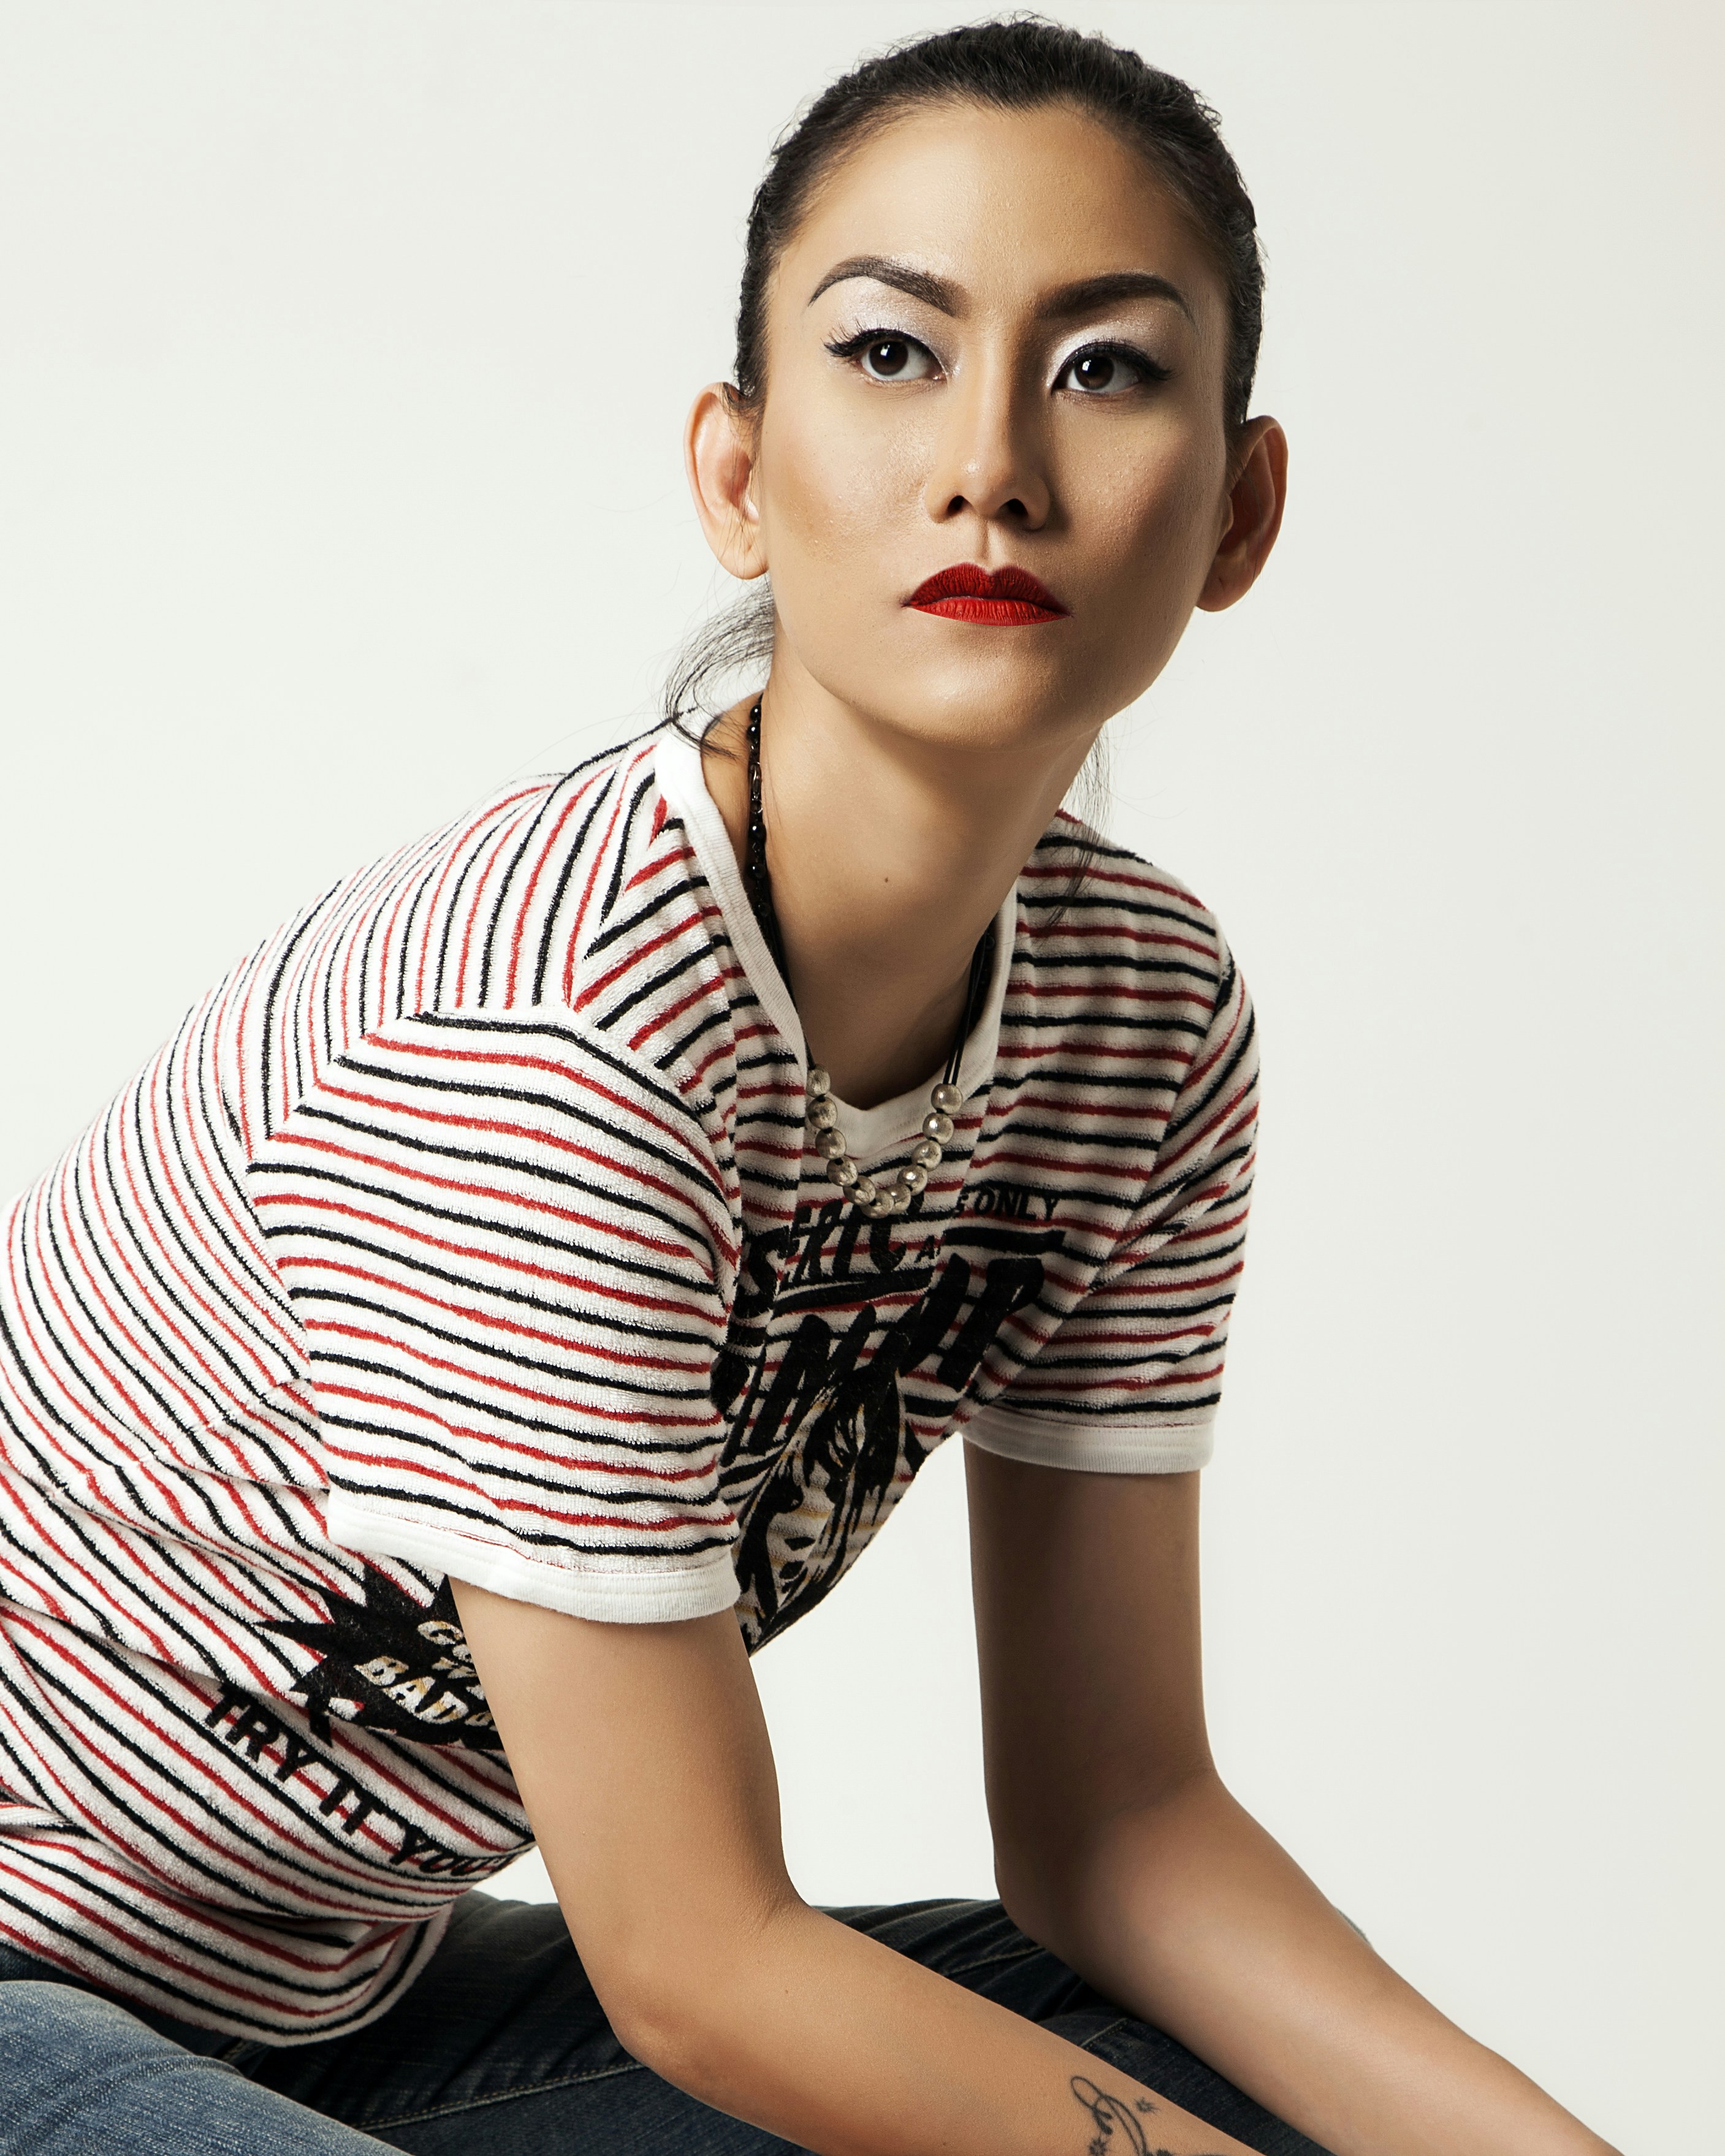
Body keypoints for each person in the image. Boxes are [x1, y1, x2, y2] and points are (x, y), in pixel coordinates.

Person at [0, 20, 1617, 2156]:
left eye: (1108, 366)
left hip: (348, 2007)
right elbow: (692, 1960)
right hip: (32, 1998)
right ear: (736, 475)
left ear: (1239, 511)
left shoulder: (1137, 1024)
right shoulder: (544, 1028)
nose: (992, 465)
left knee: (1173, 2074)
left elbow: (1123, 1820)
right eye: (889, 354)